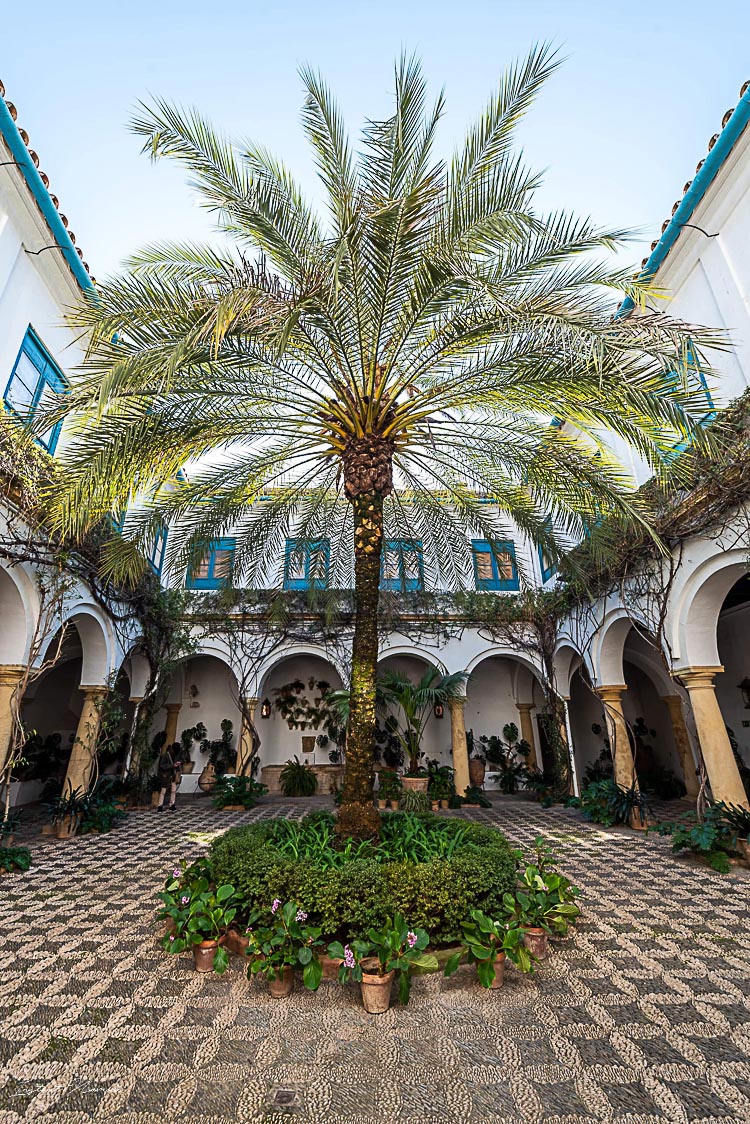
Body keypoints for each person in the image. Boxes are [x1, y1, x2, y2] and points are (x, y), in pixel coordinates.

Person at [155, 742, 182, 811]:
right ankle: (160, 805)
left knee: (173, 790)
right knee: (163, 791)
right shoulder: (165, 755)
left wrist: (177, 764)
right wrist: (172, 766)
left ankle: (172, 804)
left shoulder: (175, 755)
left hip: (173, 775)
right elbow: (162, 766)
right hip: (166, 775)